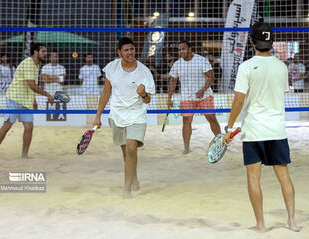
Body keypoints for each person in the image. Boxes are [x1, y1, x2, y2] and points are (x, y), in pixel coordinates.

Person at [222, 22, 301, 233]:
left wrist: (228, 128)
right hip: (276, 130)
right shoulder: (281, 66)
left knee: (253, 178)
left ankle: (261, 225)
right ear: (271, 41)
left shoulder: (246, 66)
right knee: (284, 176)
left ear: (251, 42)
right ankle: (292, 222)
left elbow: (238, 100)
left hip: (254, 130)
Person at [92, 37, 155, 199]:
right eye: (126, 50)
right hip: (117, 114)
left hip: (136, 114)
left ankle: (126, 188)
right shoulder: (112, 68)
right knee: (125, 151)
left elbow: (147, 100)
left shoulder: (144, 72)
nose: (130, 52)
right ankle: (133, 179)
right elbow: (106, 92)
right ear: (119, 52)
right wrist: (97, 116)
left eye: (132, 49)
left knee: (131, 147)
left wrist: (143, 94)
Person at [0, 43, 54, 158]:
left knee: (29, 126)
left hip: (26, 99)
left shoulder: (36, 64)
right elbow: (32, 85)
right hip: (15, 97)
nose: (45, 54)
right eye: (43, 51)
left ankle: (24, 155)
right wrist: (47, 94)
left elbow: (31, 85)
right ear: (35, 52)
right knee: (7, 125)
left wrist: (33, 99)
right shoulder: (28, 63)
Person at [167, 41, 221, 154]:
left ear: (190, 49)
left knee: (212, 118)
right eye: (179, 49)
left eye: (183, 49)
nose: (181, 51)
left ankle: (221, 142)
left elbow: (211, 77)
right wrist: (169, 98)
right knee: (186, 121)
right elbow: (172, 81)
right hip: (187, 97)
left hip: (204, 95)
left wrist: (202, 90)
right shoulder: (177, 64)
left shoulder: (201, 60)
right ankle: (186, 148)